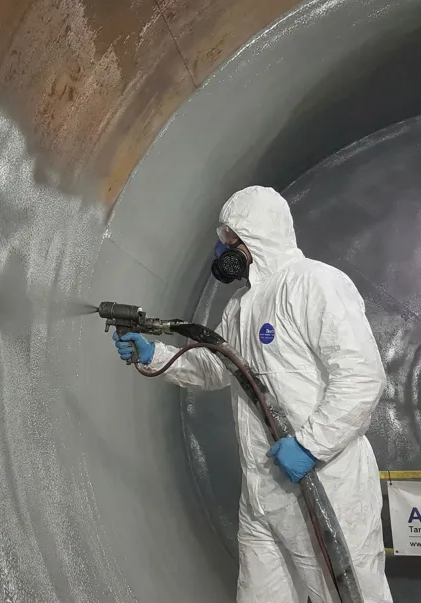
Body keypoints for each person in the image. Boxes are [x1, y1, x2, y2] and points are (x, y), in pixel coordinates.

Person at [112, 186, 392, 603]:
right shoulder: (240, 307)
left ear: (256, 238)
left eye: (229, 240)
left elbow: (362, 376)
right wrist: (154, 355)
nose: (222, 250)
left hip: (324, 483)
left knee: (349, 595)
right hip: (263, 494)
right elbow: (218, 368)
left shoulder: (313, 283)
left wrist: (309, 445)